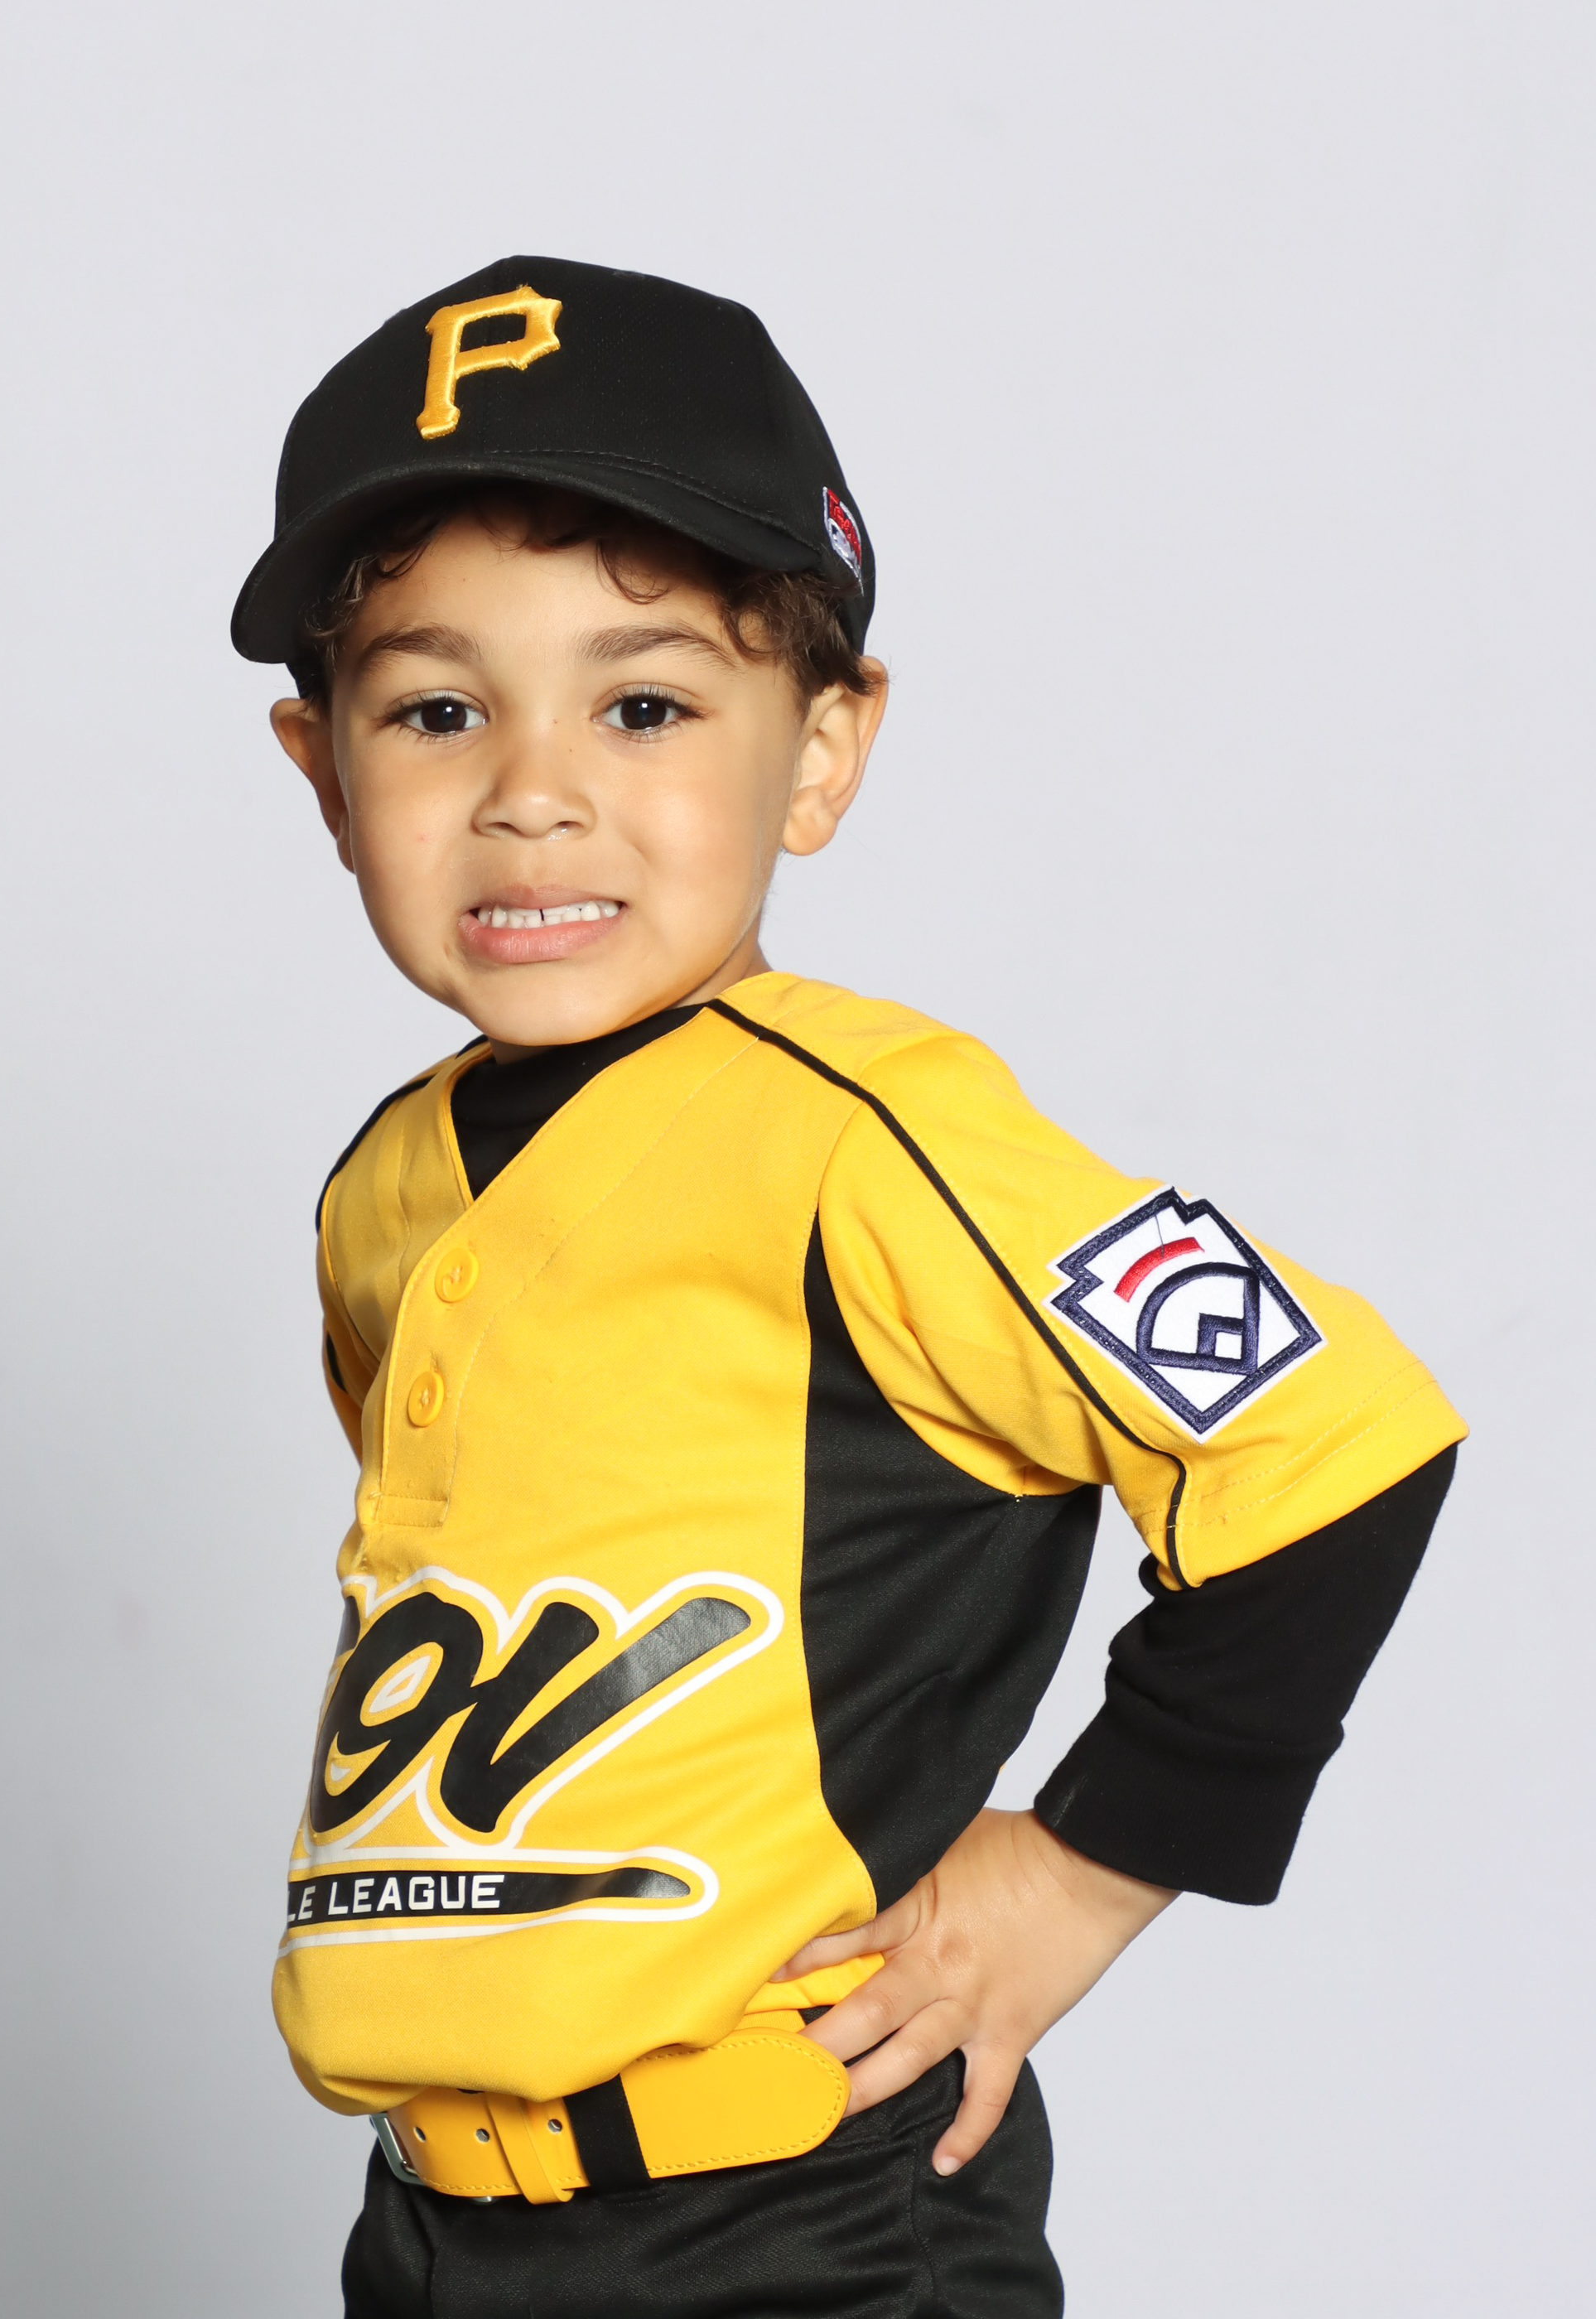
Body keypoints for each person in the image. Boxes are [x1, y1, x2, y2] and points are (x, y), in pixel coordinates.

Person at [231, 254, 1465, 2318]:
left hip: (798, 2219)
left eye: (644, 703)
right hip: (435, 2219)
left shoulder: (873, 1135)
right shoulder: (385, 1186)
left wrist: (1079, 1865)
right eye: (437, 709)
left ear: (820, 749)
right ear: (322, 770)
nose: (530, 786)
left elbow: (1338, 1436)